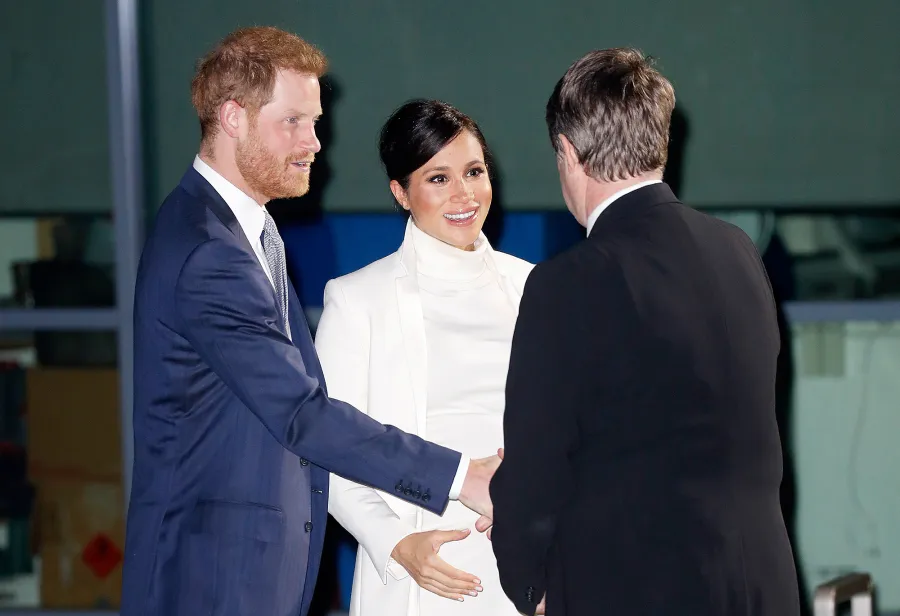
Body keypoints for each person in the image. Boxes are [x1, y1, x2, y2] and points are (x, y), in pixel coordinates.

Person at [120, 28, 499, 616]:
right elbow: (301, 413)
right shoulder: (208, 251)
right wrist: (461, 476)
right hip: (211, 581)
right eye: (294, 122)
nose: (315, 142)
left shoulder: (241, 233)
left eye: (315, 122)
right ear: (233, 118)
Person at [487, 48, 802, 616]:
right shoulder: (738, 251)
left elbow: (535, 470)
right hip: (761, 581)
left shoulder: (568, 283)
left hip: (636, 588)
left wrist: (530, 584)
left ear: (567, 151)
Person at [315, 99, 533, 616]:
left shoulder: (533, 287)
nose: (464, 195)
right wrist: (394, 543)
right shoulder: (357, 299)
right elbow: (330, 447)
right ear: (401, 192)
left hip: (525, 569)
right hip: (420, 574)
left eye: (474, 172)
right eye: (438, 178)